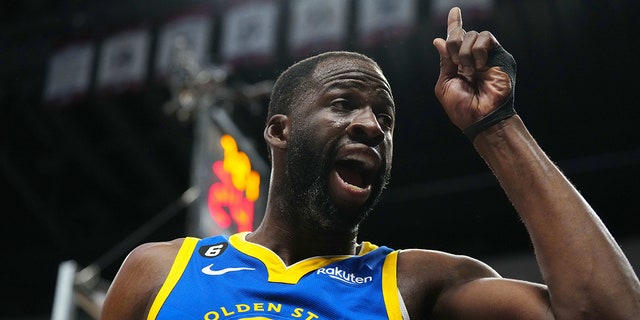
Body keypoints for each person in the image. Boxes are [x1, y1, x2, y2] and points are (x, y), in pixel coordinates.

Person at [100, 7, 640, 319]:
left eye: (385, 117)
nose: (371, 126)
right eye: (343, 104)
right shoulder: (160, 270)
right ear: (278, 131)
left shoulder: (417, 283)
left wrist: (495, 127)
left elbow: (611, 314)